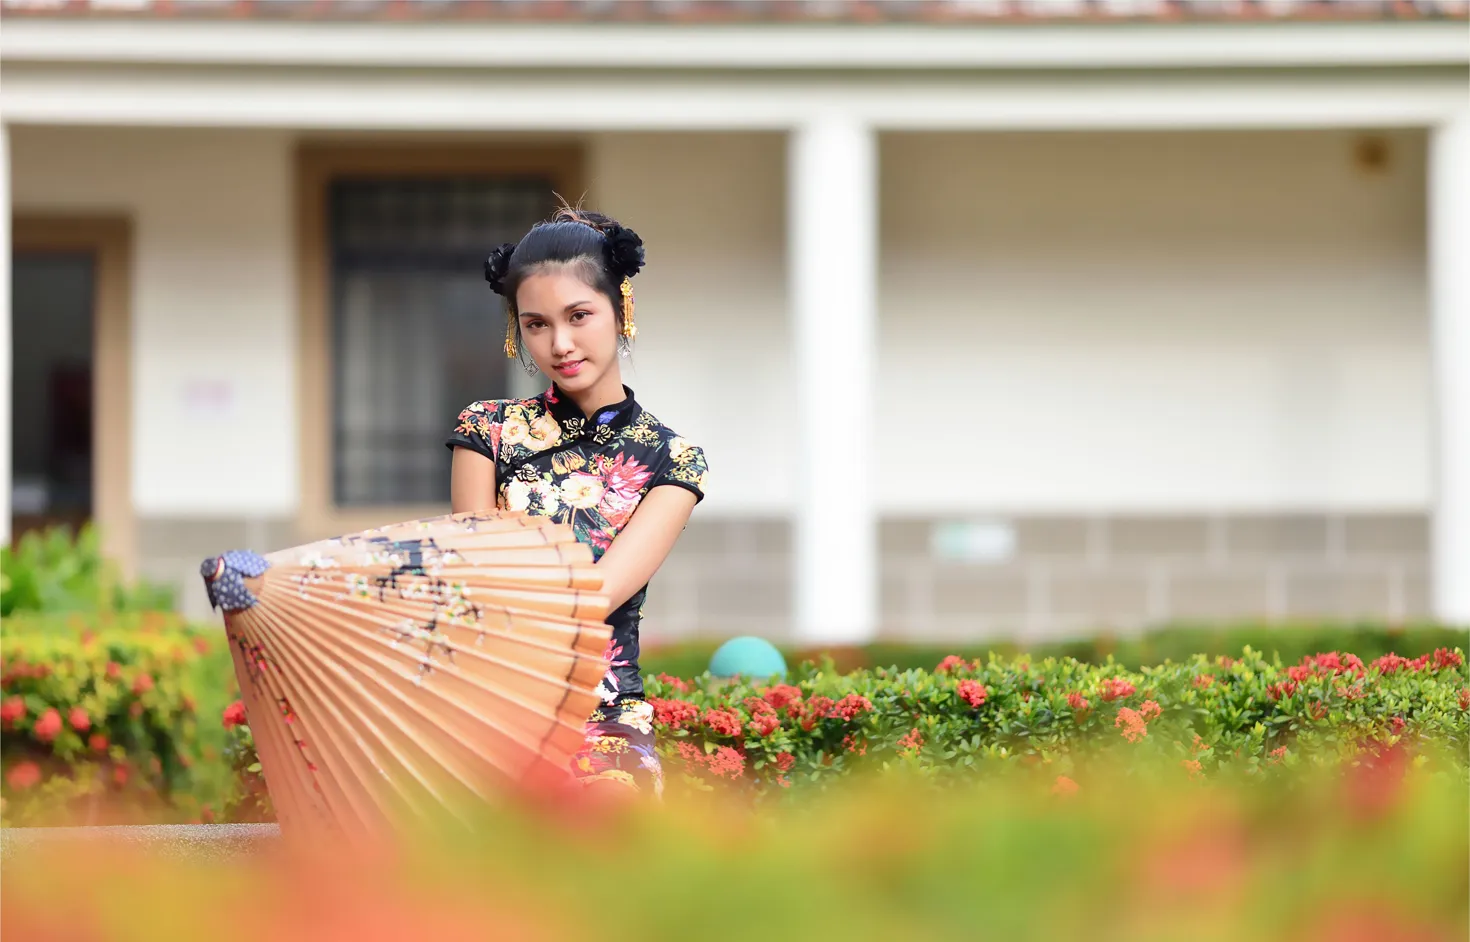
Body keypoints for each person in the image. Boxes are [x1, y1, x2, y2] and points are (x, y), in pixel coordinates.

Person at [445, 206, 708, 799]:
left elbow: (599, 595)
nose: (559, 344)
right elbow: (469, 575)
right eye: (536, 324)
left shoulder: (672, 459)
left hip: (603, 719)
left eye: (579, 316)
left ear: (622, 309)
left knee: (604, 817)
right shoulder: (487, 430)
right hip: (485, 701)